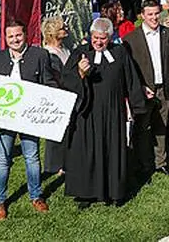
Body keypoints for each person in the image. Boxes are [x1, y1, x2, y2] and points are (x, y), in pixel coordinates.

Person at [62, 18, 149, 207]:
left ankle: (114, 191)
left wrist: (137, 105)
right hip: (88, 112)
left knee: (113, 150)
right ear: (90, 36)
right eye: (95, 38)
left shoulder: (119, 53)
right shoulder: (80, 53)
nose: (99, 42)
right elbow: (66, 80)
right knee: (88, 151)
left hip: (113, 112)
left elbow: (131, 79)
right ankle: (86, 193)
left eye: (103, 38)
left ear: (110, 38)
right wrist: (80, 74)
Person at [0, 22, 58, 219]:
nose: (15, 40)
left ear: (25, 35)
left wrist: (55, 99)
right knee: (2, 160)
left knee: (32, 157)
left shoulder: (40, 55)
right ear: (5, 38)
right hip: (5, 118)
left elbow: (48, 82)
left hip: (30, 117)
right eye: (11, 37)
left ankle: (36, 196)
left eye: (18, 35)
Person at [121, 0, 169, 178]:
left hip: (164, 88)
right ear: (142, 16)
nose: (154, 18)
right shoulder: (131, 39)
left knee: (161, 125)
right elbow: (129, 70)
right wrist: (140, 87)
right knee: (142, 128)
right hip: (144, 90)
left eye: (156, 13)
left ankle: (160, 162)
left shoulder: (168, 34)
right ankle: (143, 163)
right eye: (150, 14)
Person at [40, 17, 72, 176]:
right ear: (52, 33)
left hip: (69, 94)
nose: (65, 28)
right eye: (61, 28)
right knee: (56, 133)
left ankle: (66, 161)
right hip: (58, 96)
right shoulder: (49, 54)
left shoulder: (65, 49)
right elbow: (51, 79)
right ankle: (54, 165)